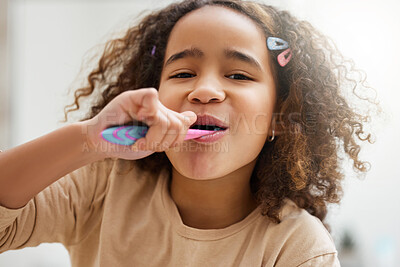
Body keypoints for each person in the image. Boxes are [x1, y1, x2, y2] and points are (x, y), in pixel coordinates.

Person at [0, 0, 378, 266]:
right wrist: (91, 139)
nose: (204, 90)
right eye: (182, 73)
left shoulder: (298, 247)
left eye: (238, 75)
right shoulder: (104, 183)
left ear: (280, 116)